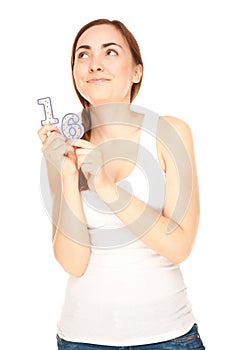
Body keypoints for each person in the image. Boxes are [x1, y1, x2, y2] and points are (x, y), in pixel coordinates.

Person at [38, 19, 205, 350]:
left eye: (110, 52)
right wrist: (69, 175)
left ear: (136, 72)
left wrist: (108, 190)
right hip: (80, 339)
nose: (95, 63)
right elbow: (73, 262)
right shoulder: (62, 147)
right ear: (75, 73)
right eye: (82, 55)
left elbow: (179, 247)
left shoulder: (169, 133)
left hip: (168, 338)